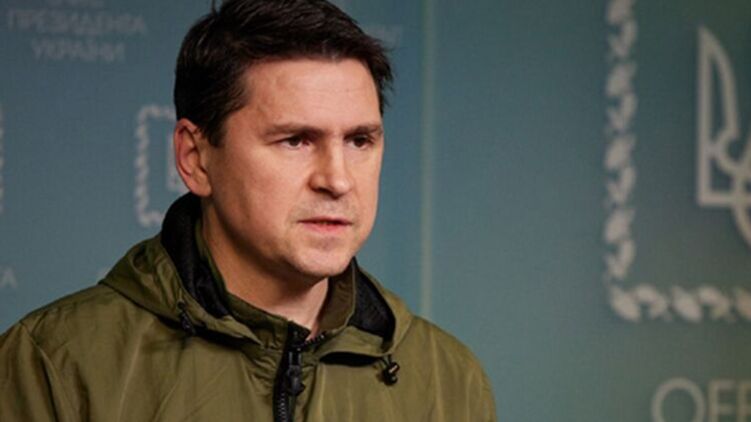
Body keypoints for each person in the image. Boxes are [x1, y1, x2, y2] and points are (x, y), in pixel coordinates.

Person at [0, 0, 497, 420]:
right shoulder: (54, 365)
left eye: (359, 140)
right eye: (296, 140)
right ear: (195, 159)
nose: (338, 179)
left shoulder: (448, 381)